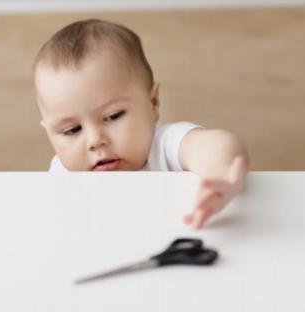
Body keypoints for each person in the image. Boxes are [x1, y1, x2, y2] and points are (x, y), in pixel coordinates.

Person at [33, 18, 249, 229]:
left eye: (113, 116)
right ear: (49, 133)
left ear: (153, 102)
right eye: (72, 130)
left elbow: (213, 144)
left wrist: (218, 172)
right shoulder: (61, 175)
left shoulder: (163, 145)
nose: (95, 141)